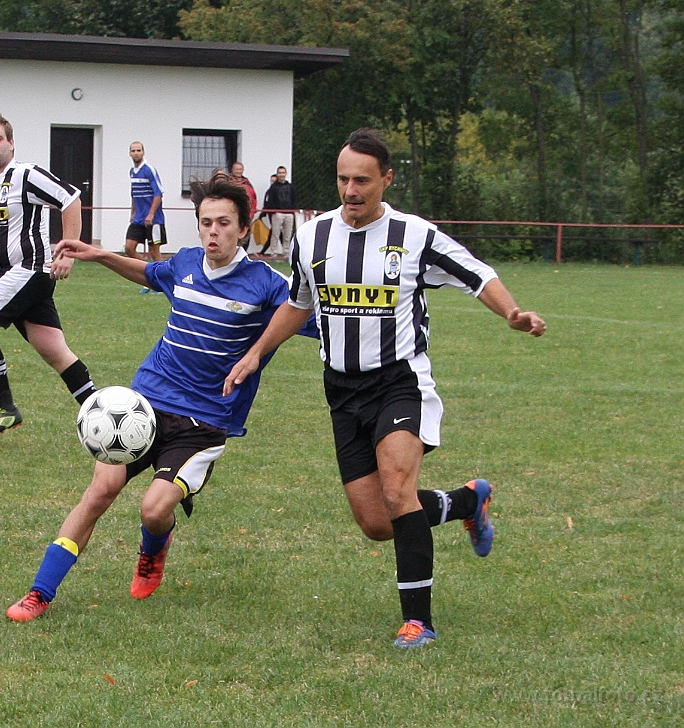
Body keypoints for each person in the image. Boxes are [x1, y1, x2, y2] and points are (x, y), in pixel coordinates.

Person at [224, 129, 546, 649]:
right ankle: (467, 502)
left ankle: (418, 622)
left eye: (362, 181)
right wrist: (257, 351)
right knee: (377, 521)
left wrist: (511, 312)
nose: (350, 190)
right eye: (343, 180)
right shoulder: (312, 236)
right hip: (341, 390)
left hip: (400, 381)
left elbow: (477, 273)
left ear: (387, 179)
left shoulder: (415, 234)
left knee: (397, 491)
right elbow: (299, 303)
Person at [5, 174, 315, 623]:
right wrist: (99, 254)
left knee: (153, 510)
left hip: (204, 422)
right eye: (206, 222)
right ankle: (39, 592)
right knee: (99, 492)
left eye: (224, 223)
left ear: (243, 229)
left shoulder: (267, 284)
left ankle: (154, 548)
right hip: (145, 404)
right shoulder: (186, 262)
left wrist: (257, 353)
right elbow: (150, 274)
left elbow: (307, 315)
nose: (213, 232)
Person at [0, 113, 96, 436]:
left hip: (27, 270)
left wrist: (67, 251)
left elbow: (70, 199)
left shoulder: (26, 175)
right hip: (11, 279)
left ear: (11, 143)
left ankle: (5, 407)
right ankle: (101, 413)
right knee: (55, 351)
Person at [126, 142, 166, 274]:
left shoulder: (149, 170)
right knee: (129, 248)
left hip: (153, 219)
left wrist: (151, 214)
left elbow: (158, 193)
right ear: (130, 153)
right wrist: (133, 212)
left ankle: (162, 278)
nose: (136, 153)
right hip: (138, 218)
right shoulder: (132, 172)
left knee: (154, 251)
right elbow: (134, 193)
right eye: (133, 151)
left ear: (143, 152)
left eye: (138, 150)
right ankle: (147, 273)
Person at [262, 166, 299, 259]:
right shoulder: (273, 187)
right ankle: (273, 253)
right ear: (277, 174)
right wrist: (275, 210)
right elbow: (271, 200)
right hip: (278, 214)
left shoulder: (290, 187)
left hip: (289, 213)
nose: (281, 175)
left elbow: (294, 199)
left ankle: (287, 253)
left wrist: (293, 210)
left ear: (286, 174)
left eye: (283, 173)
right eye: (280, 173)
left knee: (287, 235)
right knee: (275, 234)